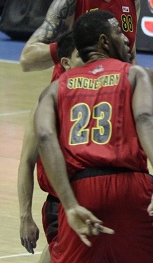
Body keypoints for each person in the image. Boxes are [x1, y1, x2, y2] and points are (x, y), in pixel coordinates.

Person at [34, 10, 153, 262]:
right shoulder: (137, 74)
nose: (126, 38)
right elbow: (146, 118)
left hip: (81, 190)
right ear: (104, 41)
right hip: (130, 187)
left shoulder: (54, 89)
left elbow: (45, 138)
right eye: (118, 32)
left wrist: (69, 204)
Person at [17, 31, 83, 262]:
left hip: (98, 196)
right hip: (61, 203)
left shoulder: (107, 92)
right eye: (82, 56)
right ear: (66, 63)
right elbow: (26, 161)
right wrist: (25, 216)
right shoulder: (48, 103)